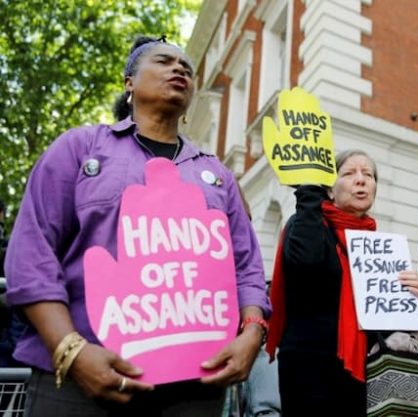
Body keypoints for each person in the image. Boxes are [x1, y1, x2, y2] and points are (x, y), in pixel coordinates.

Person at [4, 35, 270, 417]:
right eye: (163, 61)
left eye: (187, 68)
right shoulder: (79, 148)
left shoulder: (218, 176)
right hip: (80, 382)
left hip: (196, 387)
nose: (179, 69)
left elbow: (246, 267)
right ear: (129, 81)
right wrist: (71, 350)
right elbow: (32, 254)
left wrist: (252, 334)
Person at [265, 150, 418, 416]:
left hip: (364, 370)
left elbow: (383, 314)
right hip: (310, 371)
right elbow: (306, 263)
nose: (361, 180)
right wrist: (309, 193)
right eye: (349, 173)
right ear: (330, 190)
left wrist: (414, 290)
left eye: (369, 174)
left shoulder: (379, 246)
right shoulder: (305, 224)